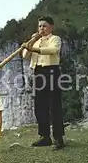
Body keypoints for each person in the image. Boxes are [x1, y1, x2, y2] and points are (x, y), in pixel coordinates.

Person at [21, 15, 65, 150]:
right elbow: (25, 55)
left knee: (54, 105)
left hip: (52, 72)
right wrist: (30, 42)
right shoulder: (35, 41)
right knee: (40, 105)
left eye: (44, 26)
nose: (41, 28)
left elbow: (53, 50)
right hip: (38, 72)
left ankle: (58, 138)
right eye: (40, 26)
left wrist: (33, 48)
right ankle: (45, 137)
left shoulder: (55, 39)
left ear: (51, 27)